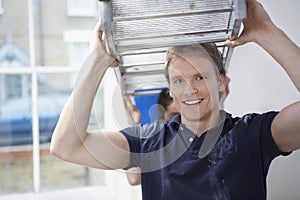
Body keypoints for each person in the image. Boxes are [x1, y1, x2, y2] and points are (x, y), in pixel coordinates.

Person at [50, 0, 300, 199]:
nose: (190, 89)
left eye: (200, 77)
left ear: (221, 82)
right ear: (170, 89)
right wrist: (97, 61)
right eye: (179, 80)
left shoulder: (252, 134)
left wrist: (268, 34)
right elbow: (65, 146)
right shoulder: (147, 142)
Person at [125, 88, 180, 186]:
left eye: (183, 116)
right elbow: (134, 179)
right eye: (175, 115)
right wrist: (134, 125)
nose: (179, 121)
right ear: (163, 118)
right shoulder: (158, 145)